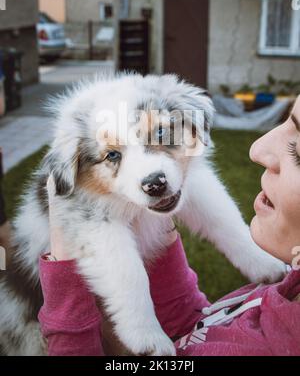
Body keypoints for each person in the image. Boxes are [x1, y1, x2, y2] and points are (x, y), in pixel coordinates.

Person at [38, 97, 300, 356]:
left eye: (297, 151)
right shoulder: (289, 289)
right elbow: (191, 325)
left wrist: (65, 284)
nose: (257, 148)